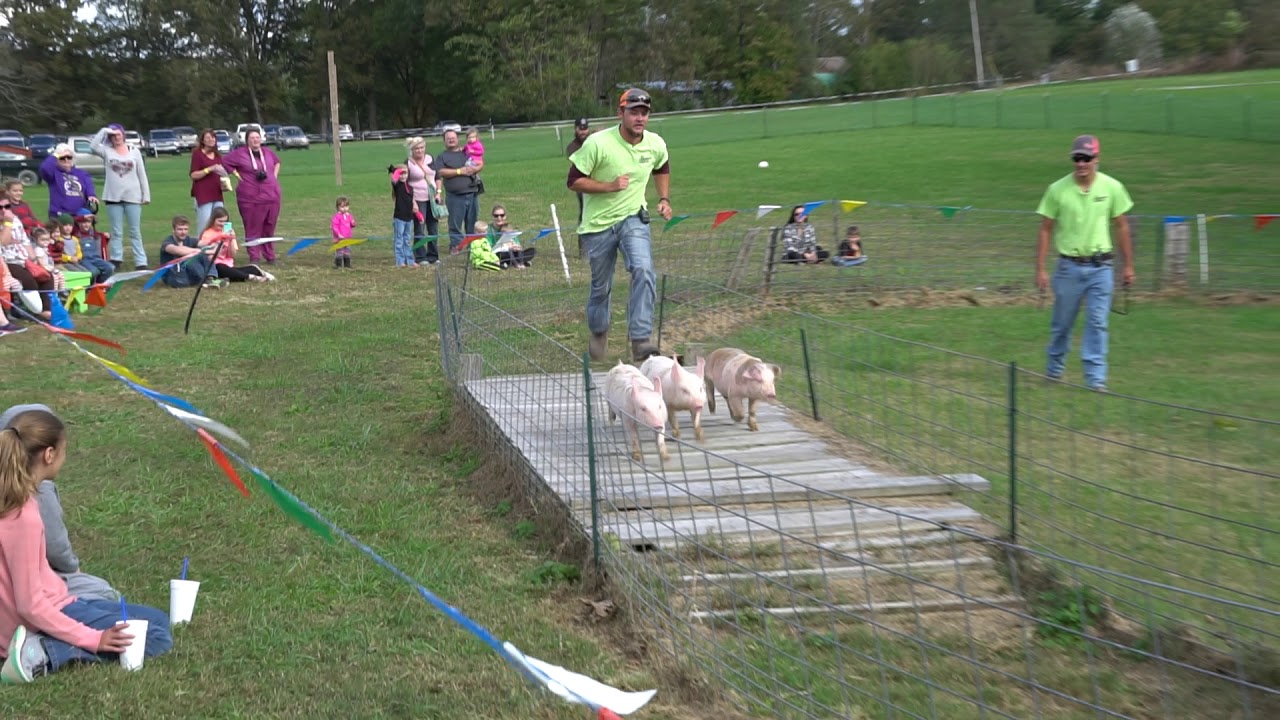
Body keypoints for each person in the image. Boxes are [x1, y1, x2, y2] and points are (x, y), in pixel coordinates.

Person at [0, 408, 172, 684]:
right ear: (49, 454)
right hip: (39, 617)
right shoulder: (23, 516)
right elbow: (29, 605)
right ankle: (41, 653)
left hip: (56, 602)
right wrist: (93, 638)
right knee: (156, 637)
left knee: (157, 619)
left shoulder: (13, 501)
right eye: (64, 450)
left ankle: (42, 642)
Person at [567, 88, 672, 362]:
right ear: (620, 113)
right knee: (601, 286)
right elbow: (574, 181)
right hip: (598, 225)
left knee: (644, 269)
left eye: (644, 113)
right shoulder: (597, 143)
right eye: (634, 112)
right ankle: (599, 331)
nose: (639, 118)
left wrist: (663, 198)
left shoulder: (655, 144)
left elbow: (662, 166)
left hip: (633, 217)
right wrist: (609, 186)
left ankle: (640, 339)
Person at [1035, 135, 1135, 392]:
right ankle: (1054, 371)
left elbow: (1122, 226)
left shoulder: (1112, 188)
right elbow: (1046, 229)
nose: (1081, 164)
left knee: (1097, 322)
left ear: (1097, 160)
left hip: (1101, 267)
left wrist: (1128, 266)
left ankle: (1095, 380)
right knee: (1062, 324)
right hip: (1069, 267)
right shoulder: (1057, 190)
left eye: (1087, 159)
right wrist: (1041, 269)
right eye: (1077, 158)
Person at [0, 405, 119, 604]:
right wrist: (74, 571)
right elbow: (56, 548)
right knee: (105, 593)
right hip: (23, 595)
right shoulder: (35, 491)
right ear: (49, 453)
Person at [90, 124, 151, 270]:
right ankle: (116, 258)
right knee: (116, 231)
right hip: (113, 197)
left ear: (123, 135)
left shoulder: (134, 151)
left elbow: (141, 173)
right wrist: (104, 131)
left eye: (118, 135)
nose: (116, 138)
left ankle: (140, 261)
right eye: (113, 136)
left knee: (135, 231)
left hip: (133, 196)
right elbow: (92, 146)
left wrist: (146, 194)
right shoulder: (107, 151)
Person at [222, 128, 282, 265]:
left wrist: (274, 176)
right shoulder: (239, 154)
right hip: (251, 197)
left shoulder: (267, 152)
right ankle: (254, 256)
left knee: (269, 226)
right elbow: (224, 162)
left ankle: (270, 255)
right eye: (252, 138)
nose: (255, 140)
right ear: (247, 140)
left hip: (272, 195)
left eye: (257, 137)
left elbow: (277, 162)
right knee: (253, 227)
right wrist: (236, 174)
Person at [0, 195, 52, 322]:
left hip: (23, 259)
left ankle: (46, 311)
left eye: (7, 206)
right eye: (0, 207)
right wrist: (7, 223)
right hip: (7, 261)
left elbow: (24, 240)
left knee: (46, 276)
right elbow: (3, 242)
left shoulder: (16, 220)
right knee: (29, 281)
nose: (4, 210)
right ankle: (33, 309)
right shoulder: (8, 221)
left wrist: (33, 259)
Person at [431, 129, 482, 252]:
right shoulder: (442, 156)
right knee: (455, 224)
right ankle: (457, 246)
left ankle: (473, 246)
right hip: (455, 196)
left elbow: (480, 162)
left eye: (453, 137)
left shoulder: (467, 152)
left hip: (472, 193)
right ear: (444, 141)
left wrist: (475, 169)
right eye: (448, 138)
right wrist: (460, 171)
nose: (451, 140)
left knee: (472, 223)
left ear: (458, 139)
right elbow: (440, 172)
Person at [196, 207, 271, 283]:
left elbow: (232, 255)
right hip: (213, 264)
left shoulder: (228, 232)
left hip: (227, 264)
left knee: (228, 272)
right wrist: (220, 239)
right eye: (220, 221)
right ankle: (251, 275)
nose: (222, 224)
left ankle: (252, 271)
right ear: (213, 220)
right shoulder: (207, 233)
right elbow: (207, 255)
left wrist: (231, 239)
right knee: (221, 269)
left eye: (225, 222)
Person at [37, 144, 97, 225]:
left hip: (79, 214)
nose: (66, 160)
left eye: (69, 157)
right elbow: (44, 168)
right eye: (62, 158)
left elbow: (89, 185)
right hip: (59, 214)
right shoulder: (54, 173)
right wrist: (56, 155)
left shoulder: (81, 173)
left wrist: (91, 195)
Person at [160, 215, 222, 289]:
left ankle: (210, 279)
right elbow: (177, 250)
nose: (183, 232)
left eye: (185, 229)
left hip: (187, 275)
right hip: (173, 277)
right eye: (180, 229)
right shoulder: (167, 242)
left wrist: (218, 244)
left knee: (204, 255)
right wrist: (201, 251)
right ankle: (206, 280)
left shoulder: (189, 239)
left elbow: (207, 244)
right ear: (173, 230)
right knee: (190, 257)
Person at [404, 137, 440, 265]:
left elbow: (437, 176)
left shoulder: (430, 159)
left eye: (421, 148)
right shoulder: (408, 163)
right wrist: (412, 202)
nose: (419, 151)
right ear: (412, 150)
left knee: (433, 227)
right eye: (416, 148)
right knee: (420, 227)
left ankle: (433, 255)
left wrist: (439, 193)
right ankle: (420, 257)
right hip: (418, 199)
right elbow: (406, 184)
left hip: (432, 198)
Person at [189, 129, 229, 233]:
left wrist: (225, 183)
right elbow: (193, 175)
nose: (211, 139)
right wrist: (209, 169)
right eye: (208, 138)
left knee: (224, 221)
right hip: (203, 195)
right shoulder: (197, 154)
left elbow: (220, 173)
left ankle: (226, 243)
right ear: (203, 141)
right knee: (205, 224)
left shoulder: (218, 155)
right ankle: (202, 246)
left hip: (217, 193)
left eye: (213, 137)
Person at [70, 210, 114, 285]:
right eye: (83, 222)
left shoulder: (92, 233)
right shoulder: (75, 232)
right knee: (94, 271)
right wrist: (83, 217)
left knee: (110, 268)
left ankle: (100, 284)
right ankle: (89, 287)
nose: (86, 225)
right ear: (78, 222)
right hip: (84, 259)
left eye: (89, 222)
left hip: (95, 258)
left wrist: (106, 236)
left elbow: (100, 237)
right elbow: (72, 220)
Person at [488, 204, 535, 269]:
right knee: (502, 254)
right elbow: (489, 248)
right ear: (492, 217)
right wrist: (505, 247)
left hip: (513, 252)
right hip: (498, 253)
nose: (499, 218)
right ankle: (521, 261)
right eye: (496, 216)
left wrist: (516, 247)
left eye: (502, 215)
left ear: (505, 216)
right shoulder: (488, 229)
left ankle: (512, 262)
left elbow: (517, 243)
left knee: (532, 251)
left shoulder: (508, 227)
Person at [389, 166, 418, 268]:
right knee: (399, 239)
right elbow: (393, 179)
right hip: (399, 217)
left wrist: (418, 214)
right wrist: (396, 171)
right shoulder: (398, 186)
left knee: (407, 239)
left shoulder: (410, 188)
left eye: (405, 173)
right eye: (401, 174)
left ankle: (410, 260)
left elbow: (412, 202)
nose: (403, 176)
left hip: (409, 217)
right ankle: (400, 261)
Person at [565, 118, 591, 227]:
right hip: (582, 182)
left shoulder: (593, 141)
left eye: (585, 129)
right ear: (575, 129)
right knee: (584, 211)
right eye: (580, 129)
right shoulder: (572, 147)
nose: (583, 132)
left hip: (598, 180)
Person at [331, 196, 356, 269]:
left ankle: (347, 264)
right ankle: (338, 265)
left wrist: (353, 223)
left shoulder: (349, 216)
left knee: (347, 251)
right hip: (339, 238)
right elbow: (334, 226)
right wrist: (338, 234)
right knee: (340, 251)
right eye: (342, 206)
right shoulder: (337, 217)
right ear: (338, 207)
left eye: (346, 206)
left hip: (348, 238)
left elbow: (352, 224)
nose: (345, 208)